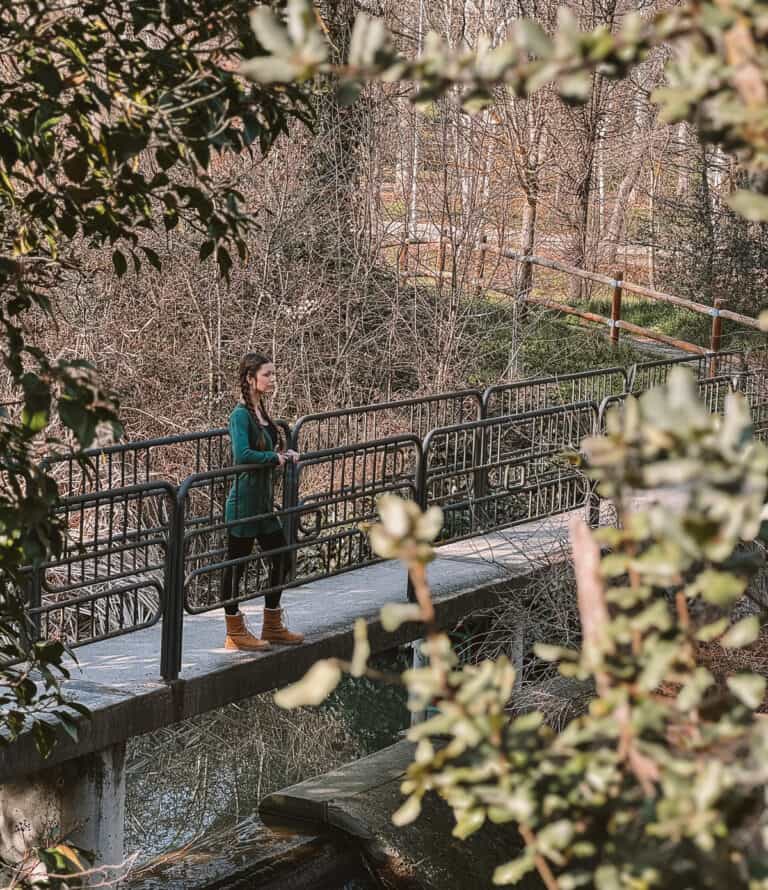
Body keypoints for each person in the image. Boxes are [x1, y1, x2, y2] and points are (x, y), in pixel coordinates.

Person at [221, 352, 304, 650]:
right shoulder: (240, 415)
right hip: (243, 504)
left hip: (263, 504)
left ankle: (272, 625)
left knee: (281, 557)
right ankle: (234, 632)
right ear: (250, 378)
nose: (272, 379)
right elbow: (242, 454)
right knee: (235, 567)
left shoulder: (261, 411)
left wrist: (286, 454)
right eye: (267, 374)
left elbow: (270, 445)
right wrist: (274, 457)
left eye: (272, 374)